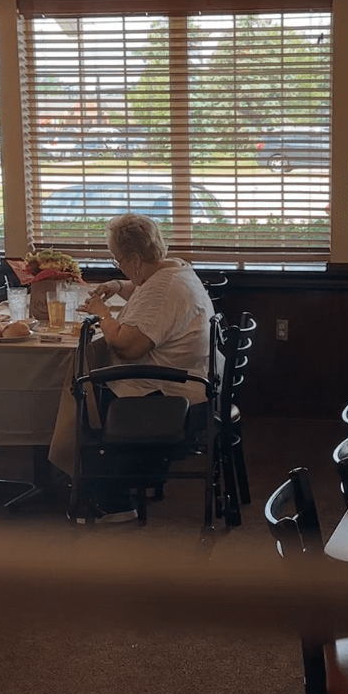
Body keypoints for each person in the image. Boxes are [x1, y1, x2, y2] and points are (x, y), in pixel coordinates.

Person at [75, 212, 216, 522]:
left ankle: (114, 499)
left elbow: (128, 347)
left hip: (167, 395)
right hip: (191, 382)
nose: (119, 265)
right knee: (87, 384)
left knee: (80, 391)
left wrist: (102, 313)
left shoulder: (162, 290)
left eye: (118, 260)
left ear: (136, 258)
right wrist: (117, 285)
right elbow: (142, 289)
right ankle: (116, 481)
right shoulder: (175, 269)